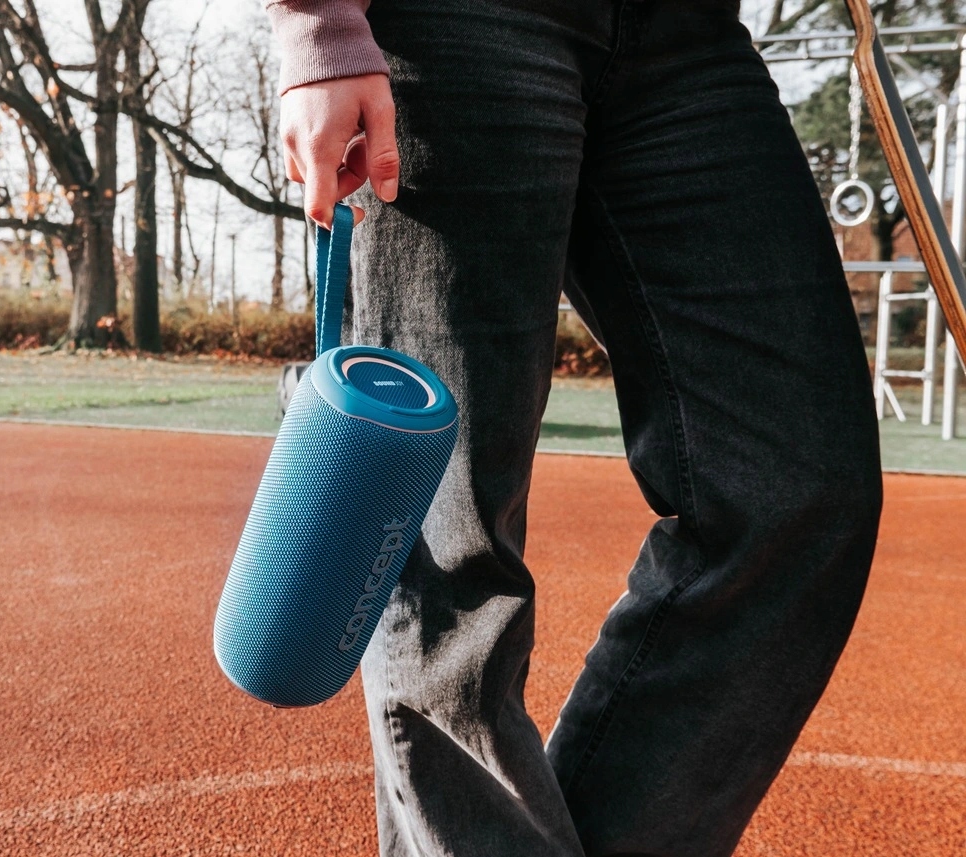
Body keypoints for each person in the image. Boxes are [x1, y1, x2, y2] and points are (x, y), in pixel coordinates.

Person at [264, 1, 884, 854]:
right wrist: (317, 22)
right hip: (458, 20)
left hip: (689, 35)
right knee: (451, 552)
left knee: (800, 487)